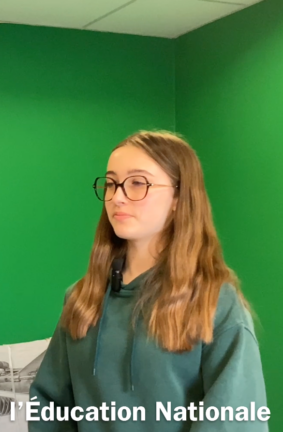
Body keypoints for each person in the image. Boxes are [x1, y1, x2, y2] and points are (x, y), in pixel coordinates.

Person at [28, 131, 267, 431]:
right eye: (111, 183)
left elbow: (236, 420)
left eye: (138, 183)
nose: (117, 197)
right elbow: (50, 406)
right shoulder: (81, 298)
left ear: (179, 197)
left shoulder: (216, 302)